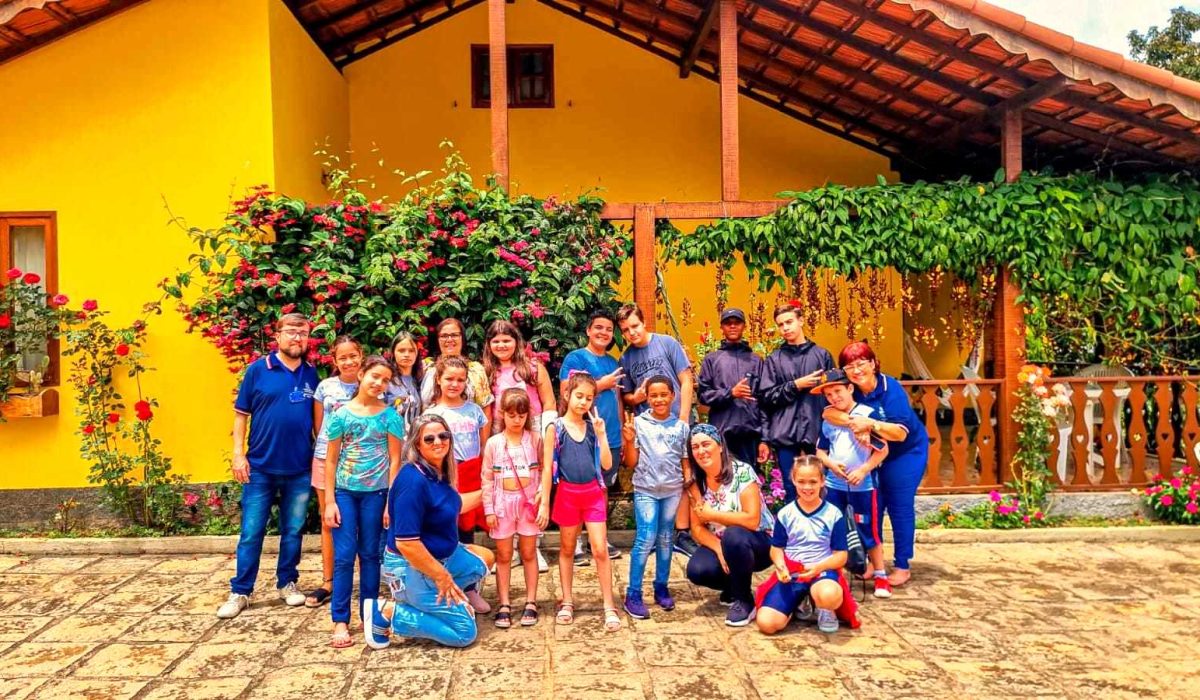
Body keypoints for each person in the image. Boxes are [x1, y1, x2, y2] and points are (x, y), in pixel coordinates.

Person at [363, 415, 496, 649]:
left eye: (443, 436)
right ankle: (388, 612)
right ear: (417, 444)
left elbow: (452, 505)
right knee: (464, 633)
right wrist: (442, 576)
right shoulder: (412, 481)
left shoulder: (437, 471)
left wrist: (492, 490)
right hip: (411, 566)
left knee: (483, 560)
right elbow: (407, 544)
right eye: (429, 438)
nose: (438, 442)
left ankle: (433, 601)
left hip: (440, 558)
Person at [218, 313, 319, 619]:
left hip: (300, 468)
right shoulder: (258, 370)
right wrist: (238, 455)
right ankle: (241, 591)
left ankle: (287, 582)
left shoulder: (312, 375)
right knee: (251, 532)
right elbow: (241, 415)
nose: (297, 337)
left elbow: (318, 424)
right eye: (291, 331)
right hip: (260, 467)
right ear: (277, 336)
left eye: (303, 333)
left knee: (293, 531)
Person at [825, 341, 929, 588]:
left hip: (904, 453)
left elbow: (900, 434)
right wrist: (856, 423)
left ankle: (902, 564)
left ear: (873, 364)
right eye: (849, 366)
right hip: (871, 455)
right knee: (872, 506)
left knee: (898, 504)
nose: (856, 370)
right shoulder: (850, 389)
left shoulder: (891, 389)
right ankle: (873, 562)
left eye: (861, 363)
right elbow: (828, 413)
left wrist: (870, 425)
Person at [322, 356, 405, 648]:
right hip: (345, 493)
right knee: (344, 556)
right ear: (361, 375)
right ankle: (340, 619)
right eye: (375, 376)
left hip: (377, 495)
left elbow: (395, 461)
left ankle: (368, 615)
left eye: (385, 380)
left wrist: (390, 503)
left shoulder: (390, 417)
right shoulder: (340, 415)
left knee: (370, 555)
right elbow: (330, 460)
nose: (379, 383)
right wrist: (329, 502)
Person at [615, 303, 696, 557]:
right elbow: (627, 397)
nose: (632, 333)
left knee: (684, 476)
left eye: (635, 326)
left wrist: (683, 418)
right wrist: (637, 398)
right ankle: (652, 535)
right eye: (626, 330)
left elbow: (686, 380)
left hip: (677, 422)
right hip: (649, 430)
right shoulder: (626, 359)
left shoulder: (667, 344)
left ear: (644, 322)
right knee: (651, 480)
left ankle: (682, 533)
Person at [541, 372, 621, 632]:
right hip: (567, 494)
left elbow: (607, 464)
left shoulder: (593, 427)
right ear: (566, 395)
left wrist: (602, 434)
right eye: (579, 396)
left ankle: (609, 604)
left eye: (588, 398)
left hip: (593, 493)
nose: (583, 402)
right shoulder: (555, 428)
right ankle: (567, 600)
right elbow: (547, 468)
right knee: (567, 549)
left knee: (599, 549)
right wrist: (544, 503)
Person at [684, 424, 775, 627]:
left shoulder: (742, 472)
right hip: (724, 542)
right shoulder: (697, 482)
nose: (701, 451)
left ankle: (744, 600)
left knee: (733, 536)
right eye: (695, 447)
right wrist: (718, 549)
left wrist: (713, 515)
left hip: (758, 541)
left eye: (706, 444)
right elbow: (697, 528)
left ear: (720, 446)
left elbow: (752, 519)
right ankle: (734, 586)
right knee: (697, 570)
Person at [482, 319, 554, 573]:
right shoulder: (487, 372)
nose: (502, 345)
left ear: (517, 341)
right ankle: (509, 549)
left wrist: (547, 432)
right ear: (489, 345)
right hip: (500, 431)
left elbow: (549, 403)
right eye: (496, 341)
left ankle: (533, 547)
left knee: (531, 484)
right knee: (505, 488)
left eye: (507, 340)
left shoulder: (532, 368)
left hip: (531, 429)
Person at [813, 368, 892, 598]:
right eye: (828, 395)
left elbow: (882, 449)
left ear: (850, 388)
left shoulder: (867, 415)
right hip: (834, 484)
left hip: (863, 485)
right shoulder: (829, 419)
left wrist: (863, 469)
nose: (834, 397)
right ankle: (834, 574)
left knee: (869, 530)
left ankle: (880, 575)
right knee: (833, 528)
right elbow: (820, 451)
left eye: (838, 391)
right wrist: (830, 464)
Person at [423, 356, 492, 613]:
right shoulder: (432, 414)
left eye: (460, 379)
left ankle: (469, 587)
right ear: (438, 380)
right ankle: (442, 585)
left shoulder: (475, 411)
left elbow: (483, 445)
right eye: (449, 379)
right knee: (444, 530)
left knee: (466, 532)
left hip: (471, 474)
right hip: (444, 477)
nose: (455, 384)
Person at [559, 309, 625, 564]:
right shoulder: (575, 358)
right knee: (577, 485)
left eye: (608, 329)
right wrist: (601, 384)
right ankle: (575, 542)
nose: (603, 333)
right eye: (598, 327)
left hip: (610, 435)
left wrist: (621, 429)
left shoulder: (613, 362)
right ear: (588, 330)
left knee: (602, 486)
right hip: (581, 434)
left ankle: (599, 539)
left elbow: (618, 399)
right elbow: (566, 391)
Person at [756, 457, 849, 635]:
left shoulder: (833, 514)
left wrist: (818, 568)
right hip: (793, 572)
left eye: (813, 482)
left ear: (822, 481)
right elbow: (777, 548)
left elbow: (841, 555)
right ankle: (797, 603)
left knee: (829, 595)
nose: (807, 487)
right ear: (793, 480)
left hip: (822, 571)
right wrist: (780, 566)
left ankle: (824, 608)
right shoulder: (786, 513)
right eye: (801, 482)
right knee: (766, 623)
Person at [621, 375, 688, 619]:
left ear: (673, 396)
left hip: (672, 491)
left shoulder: (681, 427)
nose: (659, 399)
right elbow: (631, 462)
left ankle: (661, 586)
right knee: (645, 538)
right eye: (653, 396)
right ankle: (633, 593)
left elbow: (684, 460)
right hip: (646, 490)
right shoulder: (638, 423)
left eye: (663, 395)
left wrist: (688, 482)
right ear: (647, 398)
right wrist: (629, 441)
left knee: (666, 538)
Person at [305, 336, 363, 609]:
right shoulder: (325, 387)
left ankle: (364, 580)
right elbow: (320, 427)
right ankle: (328, 582)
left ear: (361, 356)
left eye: (353, 355)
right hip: (325, 458)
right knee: (329, 519)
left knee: (362, 522)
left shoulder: (370, 384)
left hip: (360, 461)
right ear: (334, 360)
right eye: (343, 357)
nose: (349, 361)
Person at [756, 302, 834, 503]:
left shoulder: (821, 355)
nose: (785, 328)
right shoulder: (774, 359)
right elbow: (766, 396)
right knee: (791, 487)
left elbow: (833, 395)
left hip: (817, 431)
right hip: (785, 433)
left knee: (821, 486)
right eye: (781, 325)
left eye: (789, 322)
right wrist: (795, 385)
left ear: (801, 321)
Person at [481, 389, 545, 628]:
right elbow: (486, 478)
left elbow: (544, 471)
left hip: (528, 505)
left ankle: (531, 601)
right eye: (511, 415)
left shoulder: (535, 440)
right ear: (502, 414)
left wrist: (542, 499)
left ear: (527, 415)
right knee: (504, 555)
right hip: (502, 505)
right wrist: (488, 509)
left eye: (521, 415)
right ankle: (505, 603)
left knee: (529, 553)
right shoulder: (494, 443)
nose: (517, 420)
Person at [696, 307, 768, 468]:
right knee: (722, 478)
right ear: (722, 327)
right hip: (721, 434)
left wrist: (764, 439)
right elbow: (703, 395)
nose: (733, 326)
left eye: (737, 322)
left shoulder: (756, 361)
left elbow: (764, 401)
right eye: (728, 323)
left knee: (749, 480)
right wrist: (731, 393)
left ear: (744, 326)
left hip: (750, 435)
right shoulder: (712, 360)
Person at [420, 317, 491, 408]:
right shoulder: (425, 367)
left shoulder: (476, 370)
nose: (449, 339)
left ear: (462, 338)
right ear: (437, 339)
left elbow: (485, 408)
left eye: (454, 335)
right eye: (444, 336)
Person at [385, 331, 424, 429]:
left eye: (411, 351)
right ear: (393, 352)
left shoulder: (420, 379)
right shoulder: (386, 379)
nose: (407, 354)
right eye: (401, 350)